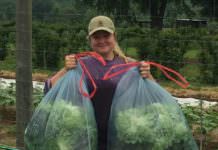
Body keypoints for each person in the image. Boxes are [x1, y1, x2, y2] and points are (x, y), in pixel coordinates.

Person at [44, 15, 154, 150]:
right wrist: (66, 69)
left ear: (114, 36)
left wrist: (147, 75)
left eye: (106, 36)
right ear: (90, 40)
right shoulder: (80, 64)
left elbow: (153, 97)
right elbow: (50, 89)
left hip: (121, 138)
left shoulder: (129, 65)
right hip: (85, 138)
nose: (102, 41)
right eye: (96, 37)